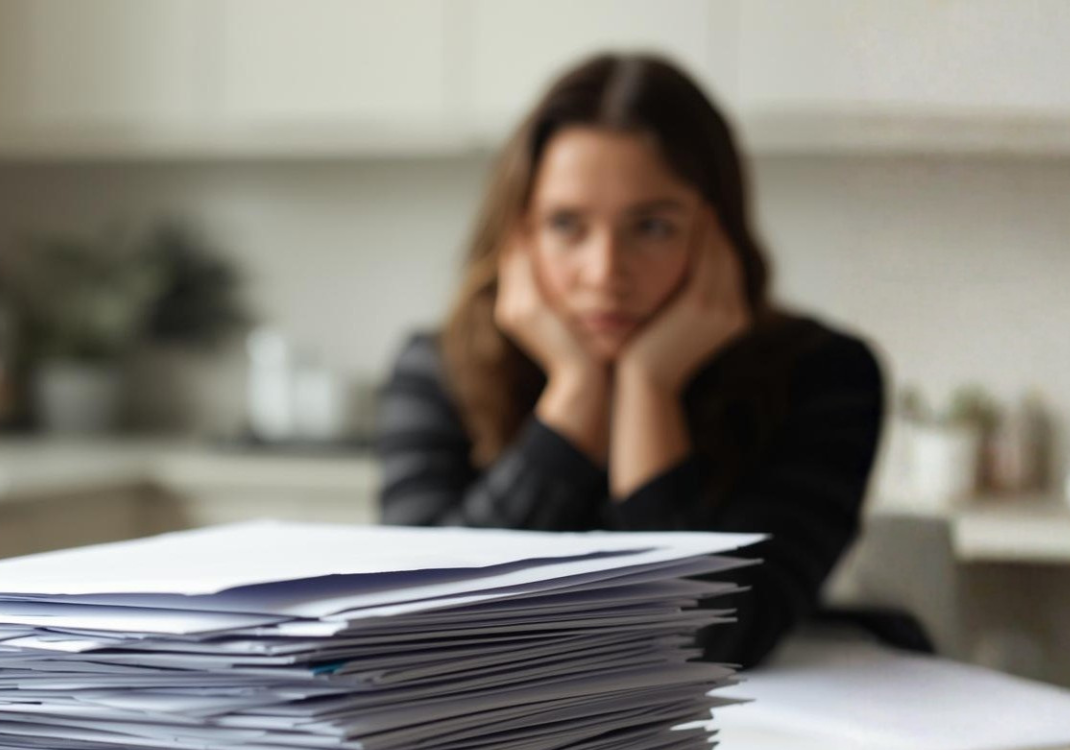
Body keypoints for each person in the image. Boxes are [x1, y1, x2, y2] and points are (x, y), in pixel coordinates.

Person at [377, 53, 885, 669]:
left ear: (716, 236)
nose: (605, 273)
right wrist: (575, 395)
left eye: (651, 227)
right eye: (567, 225)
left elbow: (716, 641)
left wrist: (648, 387)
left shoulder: (827, 376)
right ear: (520, 236)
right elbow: (419, 621)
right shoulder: (435, 370)